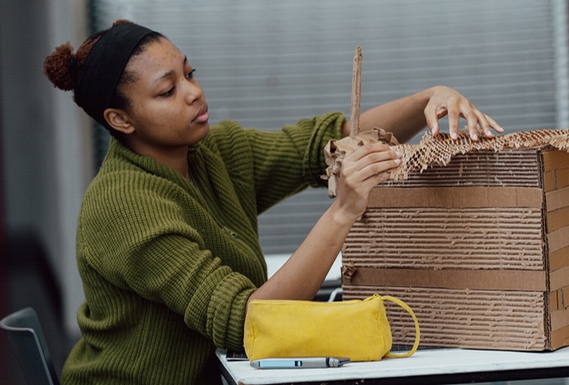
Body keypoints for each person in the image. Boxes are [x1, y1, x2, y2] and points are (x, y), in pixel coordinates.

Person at [44, 20, 503, 384]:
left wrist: (428, 99)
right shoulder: (125, 207)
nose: (193, 91)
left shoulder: (212, 153)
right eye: (168, 91)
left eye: (189, 73)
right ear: (120, 119)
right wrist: (343, 211)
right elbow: (250, 323)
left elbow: (323, 144)